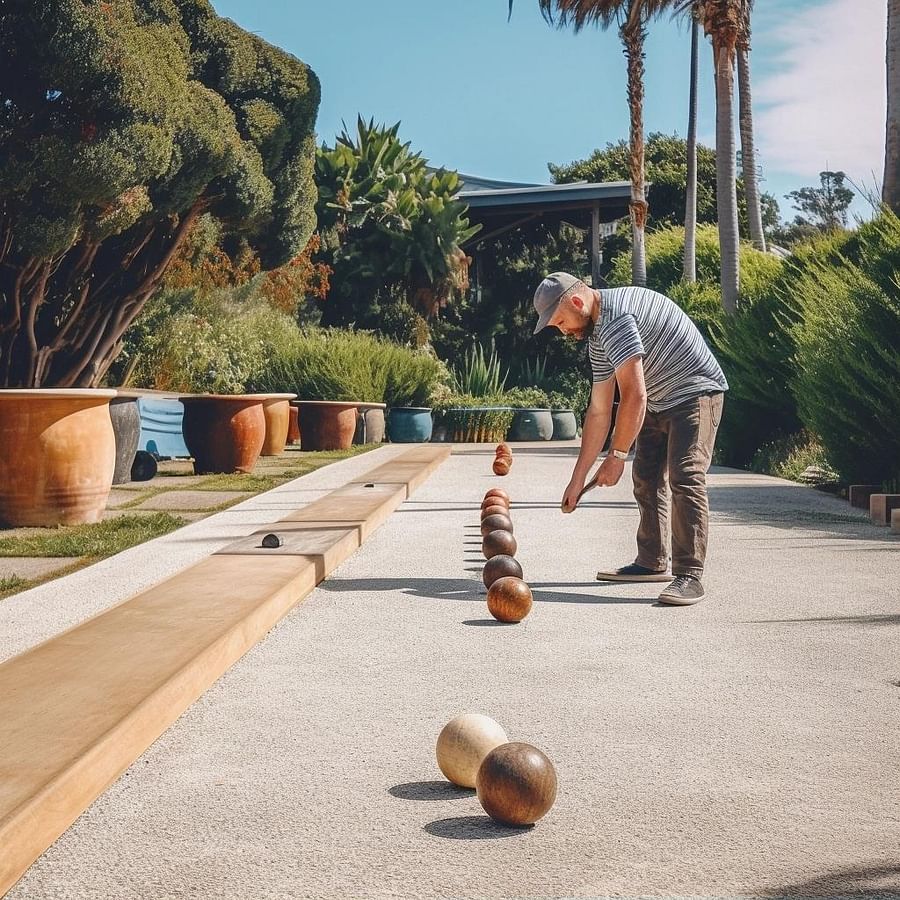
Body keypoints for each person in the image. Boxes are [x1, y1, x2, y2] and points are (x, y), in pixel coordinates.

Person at [532, 272, 728, 606]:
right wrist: (577, 479)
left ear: (577, 302)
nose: (562, 331)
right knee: (646, 476)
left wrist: (617, 455)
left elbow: (634, 395)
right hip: (658, 397)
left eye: (561, 321)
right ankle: (652, 561)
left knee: (685, 475)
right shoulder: (597, 338)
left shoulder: (616, 318)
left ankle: (690, 575)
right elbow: (598, 411)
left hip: (695, 392)